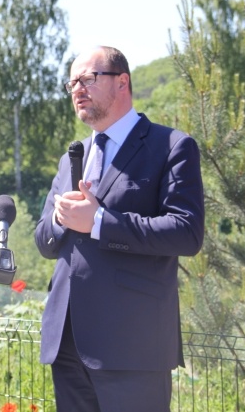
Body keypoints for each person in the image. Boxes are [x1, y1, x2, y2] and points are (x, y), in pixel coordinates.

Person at [35, 46, 205, 412]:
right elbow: (45, 241)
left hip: (133, 343)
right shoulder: (73, 156)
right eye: (72, 83)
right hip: (67, 342)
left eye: (88, 79)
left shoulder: (171, 146)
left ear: (122, 82)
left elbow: (186, 231)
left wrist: (98, 222)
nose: (77, 89)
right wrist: (61, 219)